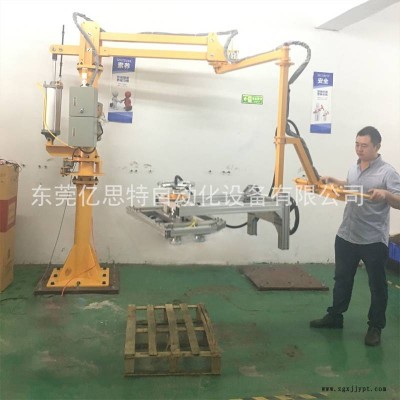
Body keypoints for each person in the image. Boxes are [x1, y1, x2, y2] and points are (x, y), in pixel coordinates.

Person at [310, 126, 400, 346]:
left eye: (364, 146)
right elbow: (352, 187)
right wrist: (335, 181)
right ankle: (335, 316)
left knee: (377, 285)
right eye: (357, 144)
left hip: (372, 239)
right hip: (347, 234)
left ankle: (375, 327)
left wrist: (386, 194)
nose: (359, 149)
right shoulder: (354, 167)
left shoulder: (388, 172)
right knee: (342, 279)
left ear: (377, 146)